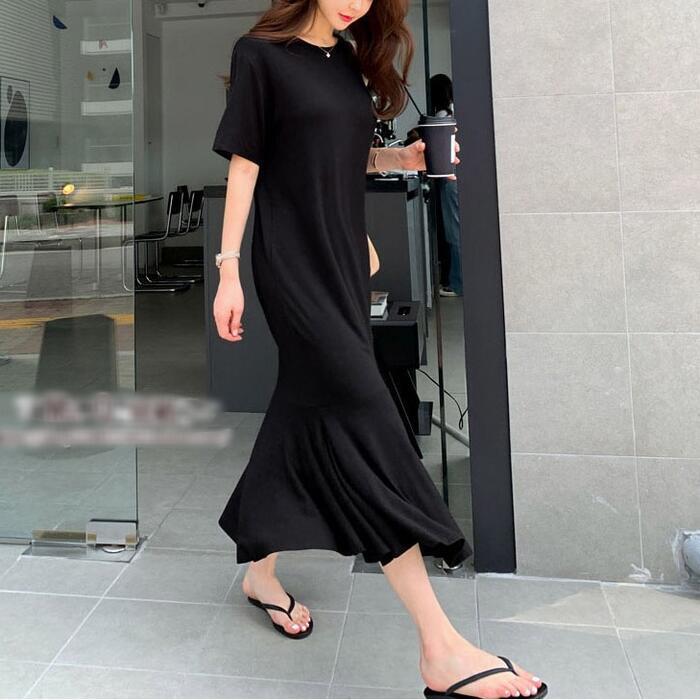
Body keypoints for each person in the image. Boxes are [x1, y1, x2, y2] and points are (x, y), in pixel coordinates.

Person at [211, 1, 547, 698]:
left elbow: (336, 154)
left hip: (342, 262)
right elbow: (248, 164)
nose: (355, 1)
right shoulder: (260, 55)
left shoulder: (345, 60)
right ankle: (440, 647)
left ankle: (260, 573)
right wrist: (228, 270)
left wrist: (402, 158)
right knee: (365, 414)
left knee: (305, 412)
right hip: (292, 264)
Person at [431, 73, 463, 297]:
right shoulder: (455, 111)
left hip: (449, 180)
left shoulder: (442, 116)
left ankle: (456, 283)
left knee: (453, 232)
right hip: (459, 178)